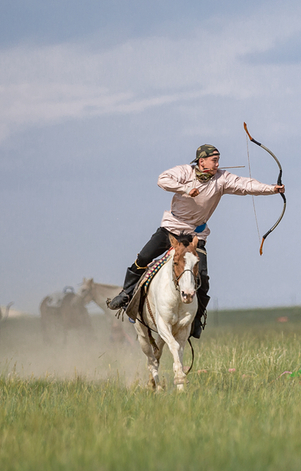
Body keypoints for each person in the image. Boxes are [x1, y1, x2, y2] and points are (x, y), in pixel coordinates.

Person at [107, 144, 284, 339]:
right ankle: (126, 295)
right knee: (143, 258)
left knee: (203, 279)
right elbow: (162, 180)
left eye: (218, 160)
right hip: (172, 229)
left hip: (195, 236)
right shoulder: (184, 172)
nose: (217, 164)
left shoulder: (222, 179)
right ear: (201, 161)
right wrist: (185, 188)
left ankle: (196, 320)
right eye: (214, 160)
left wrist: (272, 189)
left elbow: (247, 185)